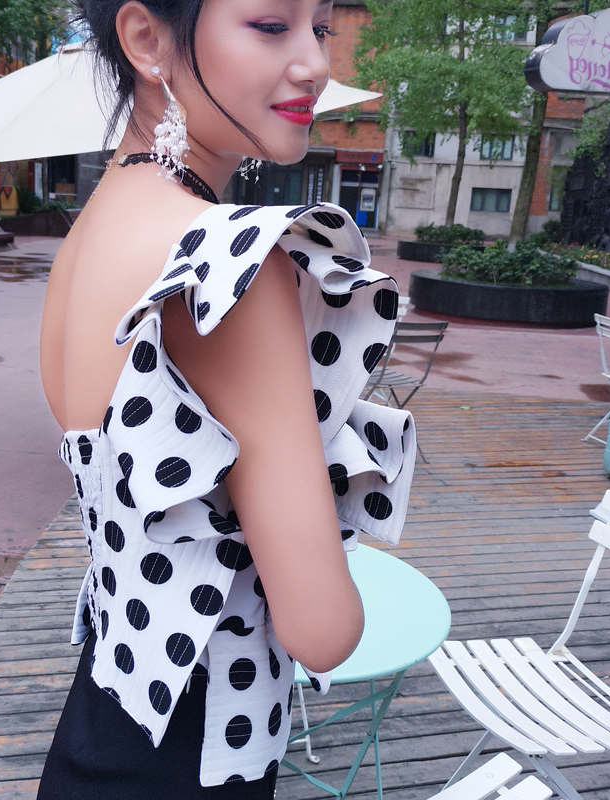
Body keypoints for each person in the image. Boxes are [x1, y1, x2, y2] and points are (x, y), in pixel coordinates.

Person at [37, 1, 416, 797]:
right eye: (271, 26)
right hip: (196, 755)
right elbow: (322, 630)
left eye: (320, 27)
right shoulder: (227, 263)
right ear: (147, 39)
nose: (316, 63)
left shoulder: (89, 232)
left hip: (104, 714)